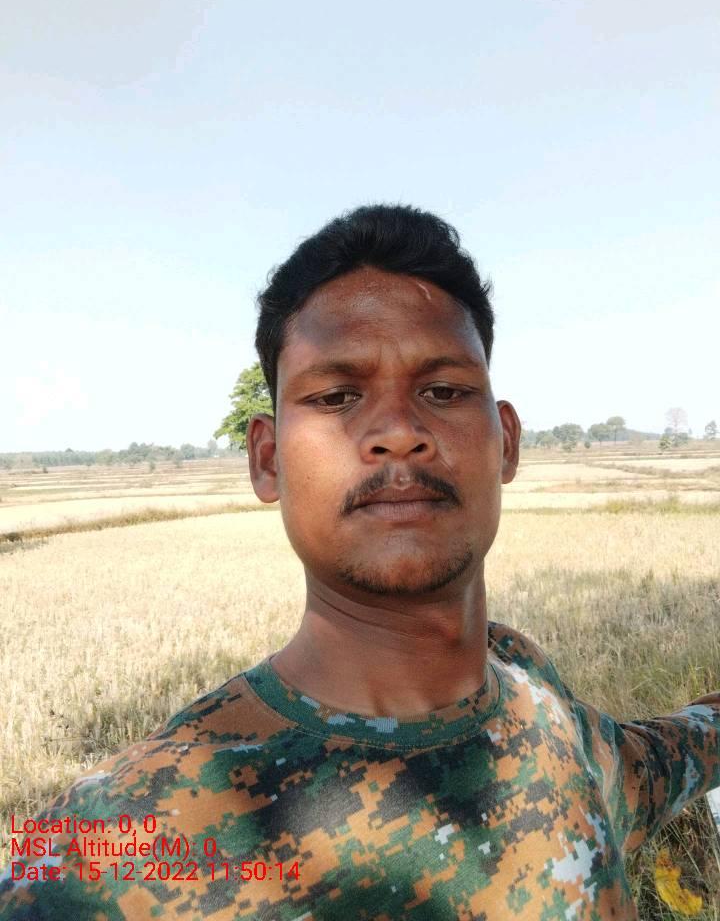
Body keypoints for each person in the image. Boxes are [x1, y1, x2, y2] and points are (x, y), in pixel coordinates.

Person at [1, 204, 718, 920]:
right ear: (268, 459)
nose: (399, 432)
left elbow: (643, 767)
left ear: (505, 441)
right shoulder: (111, 848)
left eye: (443, 391)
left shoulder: (532, 689)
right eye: (337, 396)